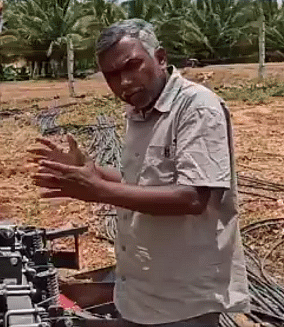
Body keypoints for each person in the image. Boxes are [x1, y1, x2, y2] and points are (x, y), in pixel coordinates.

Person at [30, 19, 250, 326]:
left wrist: (98, 190)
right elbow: (144, 184)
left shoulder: (196, 108)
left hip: (183, 303)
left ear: (160, 58)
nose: (124, 82)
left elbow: (194, 198)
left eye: (132, 66)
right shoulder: (140, 113)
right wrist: (92, 172)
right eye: (112, 75)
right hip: (142, 294)